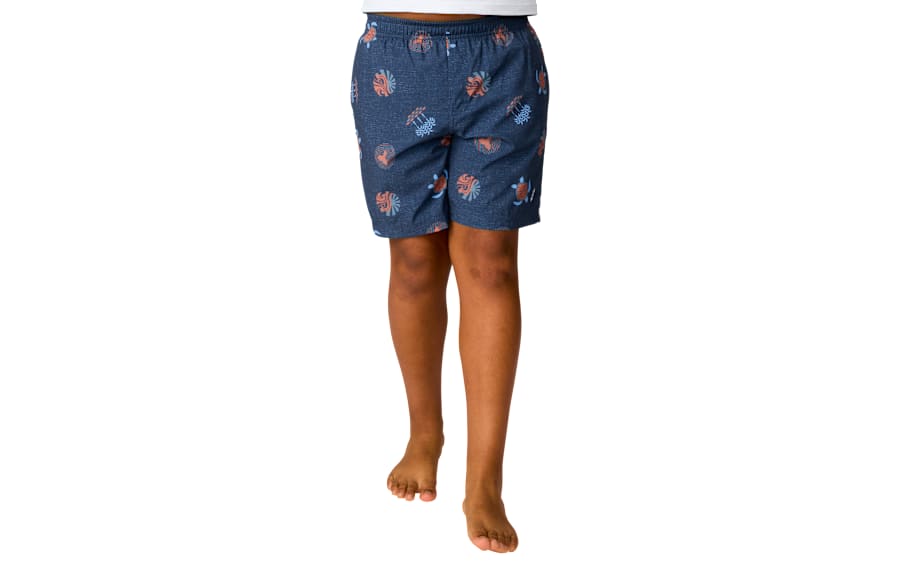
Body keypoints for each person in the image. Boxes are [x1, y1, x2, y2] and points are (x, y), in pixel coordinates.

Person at [349, 0, 547, 553]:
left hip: (502, 51)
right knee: (414, 262)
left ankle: (485, 480)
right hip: (394, 51)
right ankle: (425, 432)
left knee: (491, 264)